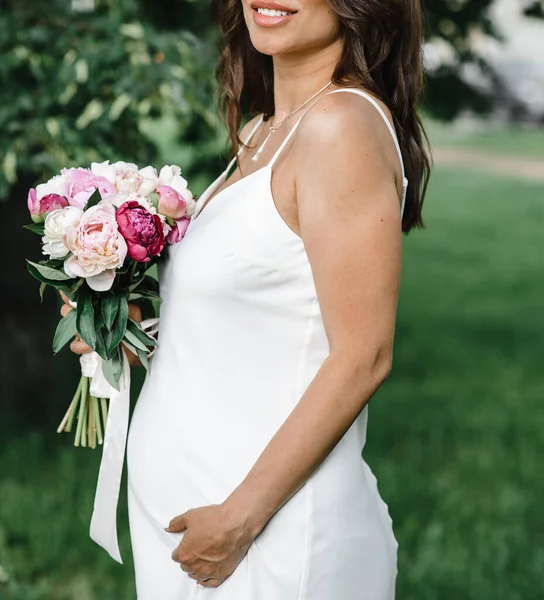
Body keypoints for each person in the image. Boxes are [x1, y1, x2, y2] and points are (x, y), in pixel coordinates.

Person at [62, 0, 430, 597]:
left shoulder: (340, 127)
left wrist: (239, 519)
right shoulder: (264, 131)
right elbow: (259, 325)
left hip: (268, 541)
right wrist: (126, 330)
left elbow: (363, 356)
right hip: (195, 531)